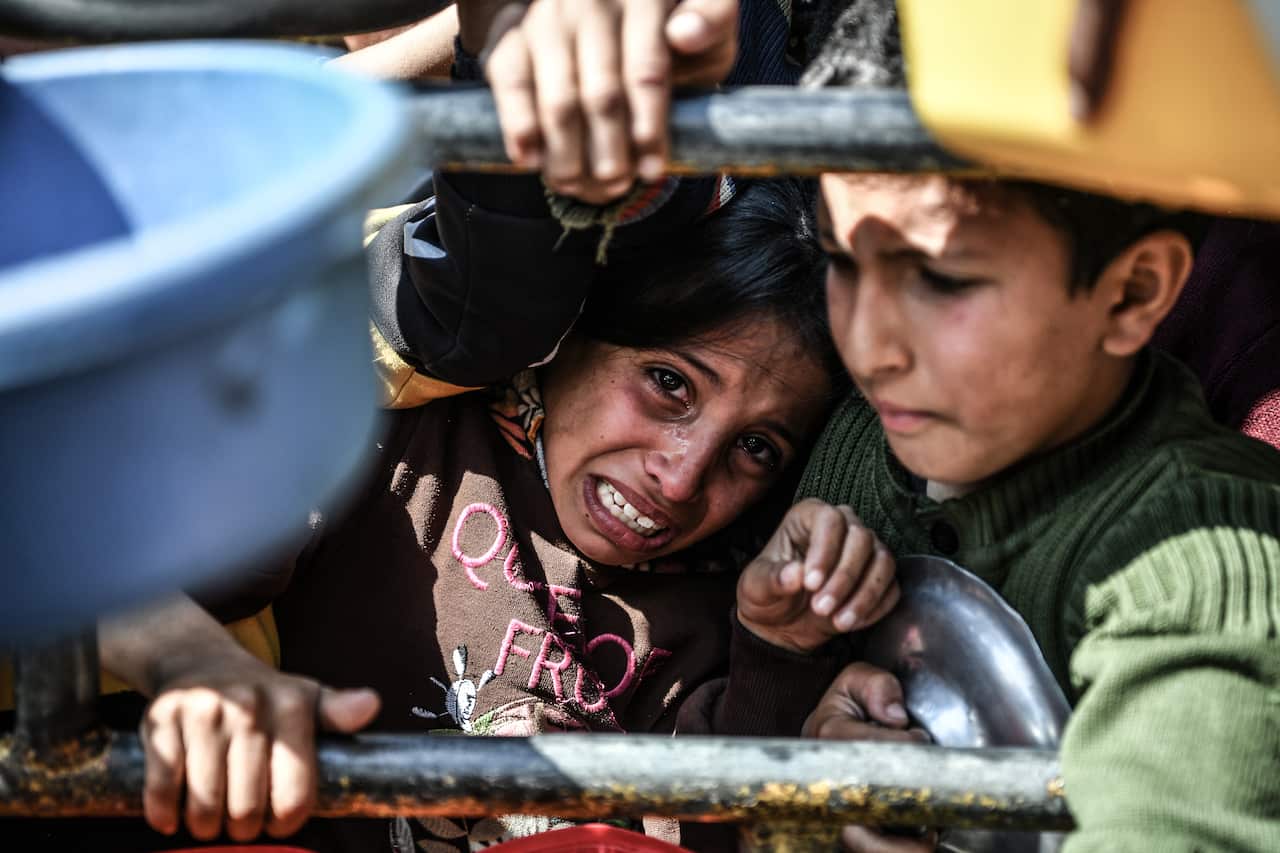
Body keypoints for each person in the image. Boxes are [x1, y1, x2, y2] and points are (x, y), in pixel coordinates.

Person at [89, 177, 898, 853]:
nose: (682, 478)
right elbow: (96, 561)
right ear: (576, 330)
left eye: (755, 447)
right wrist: (193, 661)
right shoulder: (397, 446)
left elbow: (723, 832)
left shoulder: (734, 606)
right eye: (669, 383)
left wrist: (779, 649)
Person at [797, 136, 1280, 853]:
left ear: (1132, 292)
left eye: (942, 279)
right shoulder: (865, 440)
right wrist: (786, 673)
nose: (868, 348)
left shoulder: (1206, 566)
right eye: (841, 259)